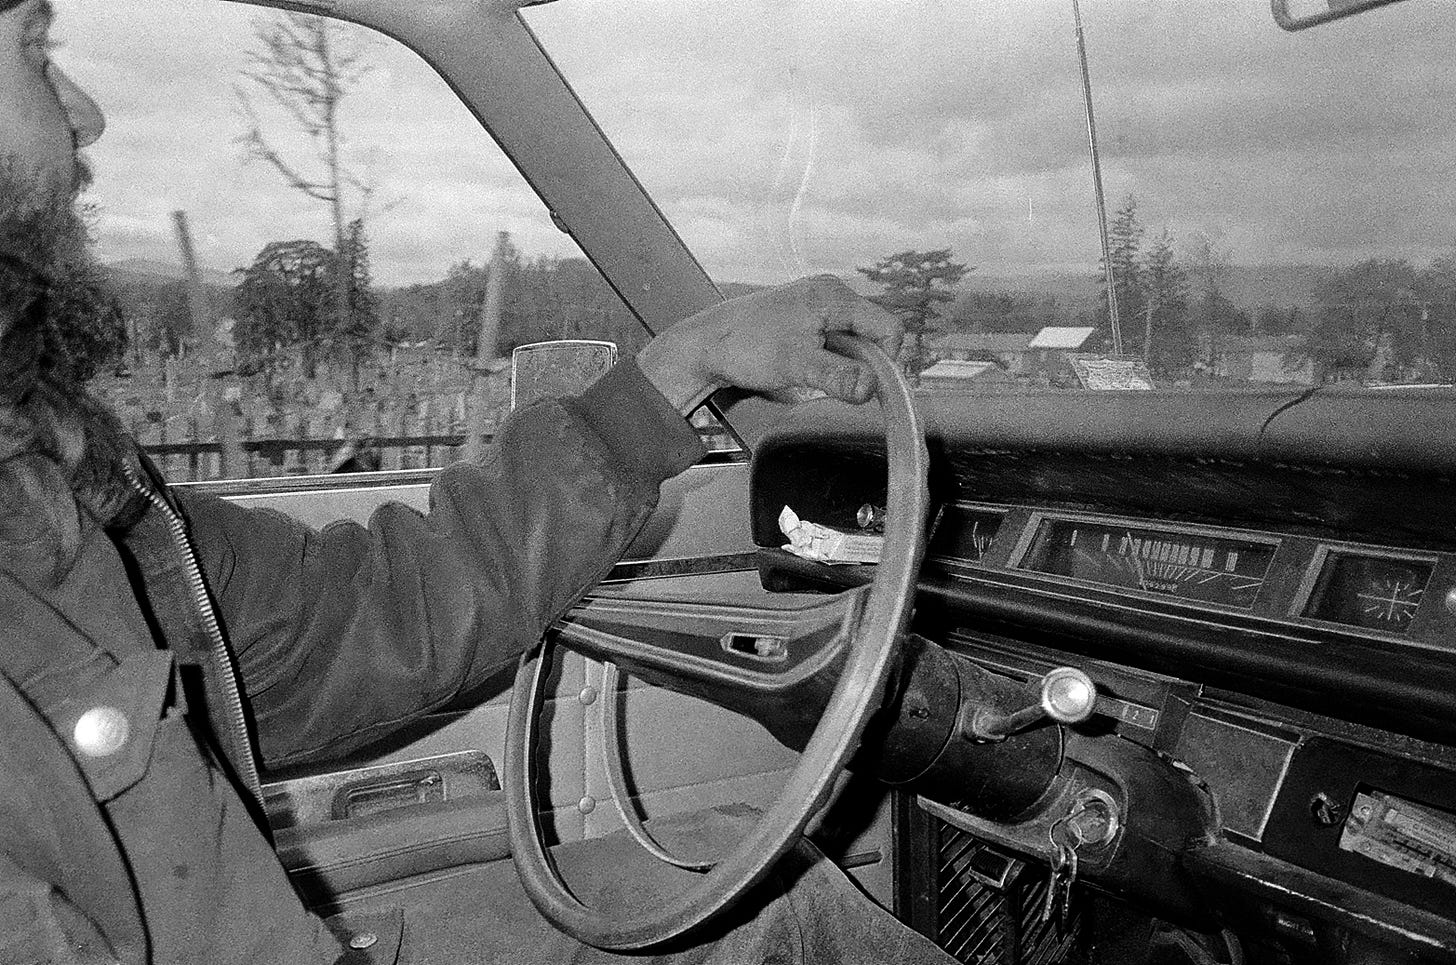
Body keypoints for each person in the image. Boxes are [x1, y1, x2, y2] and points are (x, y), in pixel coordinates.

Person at [0, 2, 959, 962]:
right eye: (35, 48)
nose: (86, 113)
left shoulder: (42, 489)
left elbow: (361, 614)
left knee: (756, 895)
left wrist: (681, 367)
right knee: (790, 928)